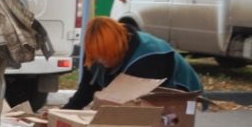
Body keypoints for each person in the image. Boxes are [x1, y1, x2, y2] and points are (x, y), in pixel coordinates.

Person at [64, 16, 203, 110]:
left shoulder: (149, 57)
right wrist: (62, 114)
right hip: (138, 99)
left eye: (108, 56)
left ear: (120, 46)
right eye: (98, 57)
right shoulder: (93, 53)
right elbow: (86, 90)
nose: (103, 61)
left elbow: (134, 105)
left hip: (177, 94)